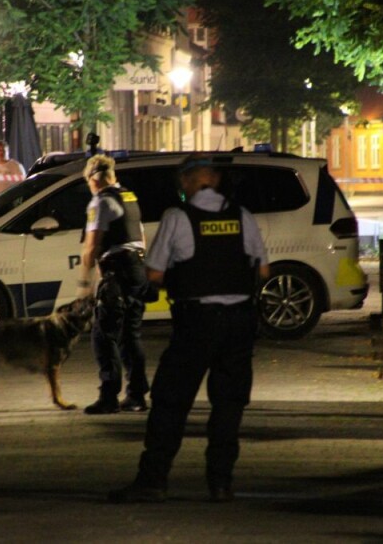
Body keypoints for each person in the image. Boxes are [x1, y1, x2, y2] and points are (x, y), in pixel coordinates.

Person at [108, 154, 270, 504]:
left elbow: (154, 273)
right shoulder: (241, 216)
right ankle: (221, 484)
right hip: (240, 322)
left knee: (170, 401)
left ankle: (153, 481)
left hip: (196, 322)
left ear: (191, 182)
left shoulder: (178, 217)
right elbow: (263, 270)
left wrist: (184, 280)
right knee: (228, 405)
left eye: (183, 181)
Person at [76, 154, 151, 415]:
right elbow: (141, 236)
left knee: (103, 334)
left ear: (93, 179)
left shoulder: (100, 201)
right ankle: (137, 395)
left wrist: (84, 283)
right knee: (130, 334)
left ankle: (108, 396)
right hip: (137, 268)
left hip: (118, 270)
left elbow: (92, 244)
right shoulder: (129, 197)